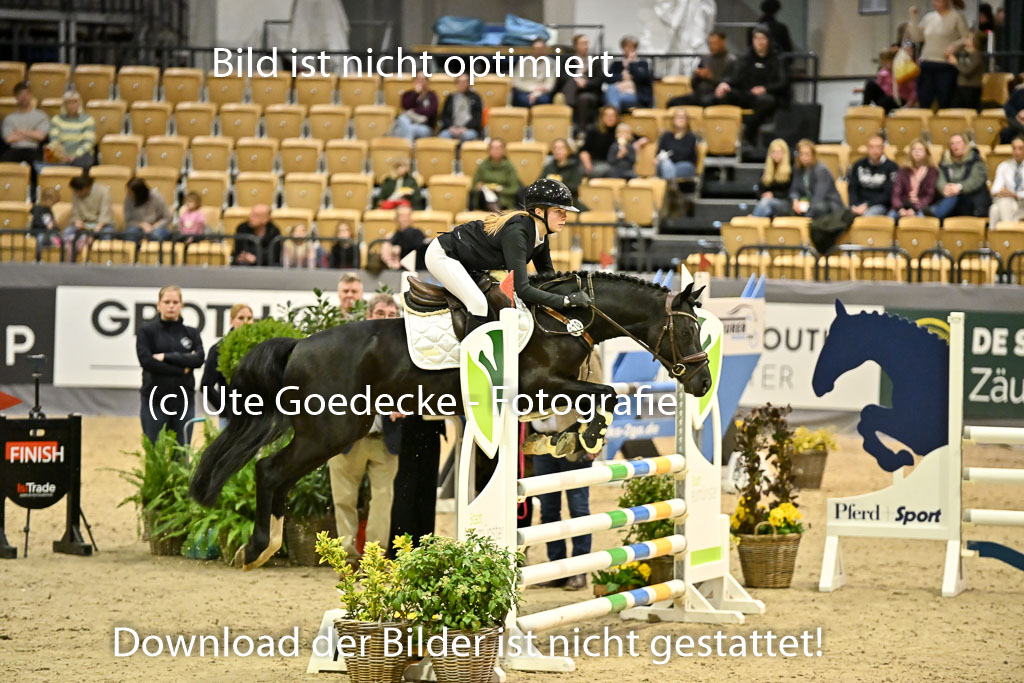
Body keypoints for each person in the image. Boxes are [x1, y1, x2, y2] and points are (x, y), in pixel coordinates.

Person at [425, 178, 590, 335]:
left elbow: (548, 279)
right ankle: (470, 354)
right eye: (558, 211)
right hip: (443, 255)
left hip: (468, 262)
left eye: (565, 212)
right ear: (539, 212)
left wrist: (574, 292)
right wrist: (565, 301)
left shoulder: (541, 236)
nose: (564, 217)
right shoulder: (517, 233)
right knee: (478, 303)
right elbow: (522, 289)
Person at [328, 293, 403, 561]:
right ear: (369, 316)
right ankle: (347, 561)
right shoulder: (346, 346)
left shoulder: (405, 352)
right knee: (343, 500)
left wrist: (405, 401)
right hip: (348, 437)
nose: (386, 319)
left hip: (386, 438)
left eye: (392, 315)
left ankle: (374, 561)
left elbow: (415, 387)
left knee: (383, 501)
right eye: (381, 314)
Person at [529, 350, 603, 590]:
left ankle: (579, 572)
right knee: (548, 510)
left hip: (574, 440)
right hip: (542, 441)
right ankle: (557, 569)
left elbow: (599, 396)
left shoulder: (587, 353)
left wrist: (596, 437)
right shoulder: (533, 351)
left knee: (578, 508)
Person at [135, 285, 204, 448]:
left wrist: (166, 357)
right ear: (159, 305)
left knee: (181, 453)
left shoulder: (191, 333)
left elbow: (199, 359)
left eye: (175, 302)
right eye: (166, 302)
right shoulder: (146, 332)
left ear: (181, 305)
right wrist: (182, 369)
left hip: (184, 402)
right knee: (155, 454)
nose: (171, 306)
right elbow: (147, 362)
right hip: (154, 401)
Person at [714, 26, 788, 146]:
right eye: (756, 38)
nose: (759, 42)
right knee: (725, 95)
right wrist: (724, 84)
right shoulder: (745, 57)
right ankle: (725, 137)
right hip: (745, 94)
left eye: (762, 38)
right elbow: (733, 76)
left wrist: (765, 88)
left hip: (764, 97)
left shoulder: (777, 59)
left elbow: (782, 82)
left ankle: (747, 133)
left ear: (768, 40)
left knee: (767, 101)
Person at [907, 0, 970, 109]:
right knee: (924, 99)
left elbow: (966, 38)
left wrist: (954, 46)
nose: (936, 3)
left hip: (945, 64)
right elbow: (917, 37)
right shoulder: (929, 17)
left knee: (945, 100)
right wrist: (913, 18)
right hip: (927, 62)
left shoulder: (956, 16)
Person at [200, 303, 254, 427]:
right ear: (231, 320)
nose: (246, 322)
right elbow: (206, 385)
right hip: (230, 419)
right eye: (241, 318)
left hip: (256, 417)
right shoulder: (219, 349)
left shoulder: (258, 347)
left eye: (249, 318)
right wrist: (225, 410)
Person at [668, 31, 737, 108]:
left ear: (722, 42)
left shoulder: (731, 61)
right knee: (673, 102)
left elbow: (730, 85)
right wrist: (697, 75)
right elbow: (693, 84)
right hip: (699, 94)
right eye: (710, 43)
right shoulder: (705, 59)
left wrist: (710, 77)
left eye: (714, 43)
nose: (711, 46)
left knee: (705, 102)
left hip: (716, 95)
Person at [930, 133, 991, 219]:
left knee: (955, 196)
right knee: (952, 196)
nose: (955, 146)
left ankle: (932, 216)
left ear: (965, 145)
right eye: (952, 143)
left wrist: (959, 187)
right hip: (951, 201)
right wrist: (944, 188)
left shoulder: (976, 160)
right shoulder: (945, 162)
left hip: (973, 202)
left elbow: (975, 181)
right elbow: (940, 179)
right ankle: (930, 215)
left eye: (958, 143)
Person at [1, 82, 49, 178]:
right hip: (14, 149)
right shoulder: (9, 118)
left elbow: (40, 136)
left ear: (31, 95)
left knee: (41, 168)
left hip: (33, 149)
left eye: (26, 94)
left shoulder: (41, 116)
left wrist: (19, 132)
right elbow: (9, 139)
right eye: (20, 94)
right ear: (16, 97)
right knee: (2, 166)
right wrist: (32, 133)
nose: (24, 97)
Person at [556, 34, 603, 129]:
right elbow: (561, 76)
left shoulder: (595, 60)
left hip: (589, 91)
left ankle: (580, 128)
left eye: (587, 43)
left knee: (584, 98)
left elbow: (599, 80)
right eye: (582, 43)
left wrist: (586, 83)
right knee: (571, 82)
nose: (586, 46)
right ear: (575, 46)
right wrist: (575, 79)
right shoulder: (567, 60)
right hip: (571, 89)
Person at [789, 139, 845, 219]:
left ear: (813, 155)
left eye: (807, 154)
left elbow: (819, 196)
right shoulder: (797, 169)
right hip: (808, 203)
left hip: (828, 204)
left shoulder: (821, 170)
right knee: (788, 208)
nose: (804, 157)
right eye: (801, 154)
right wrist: (795, 201)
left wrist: (808, 210)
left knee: (818, 208)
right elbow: (794, 189)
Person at [63, 174, 114, 258]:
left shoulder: (103, 191)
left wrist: (93, 233)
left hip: (101, 226)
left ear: (86, 188)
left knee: (107, 233)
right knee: (67, 232)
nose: (75, 193)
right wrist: (77, 221)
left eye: (77, 191)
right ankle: (70, 260)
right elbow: (75, 213)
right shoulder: (75, 193)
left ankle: (103, 261)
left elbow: (105, 214)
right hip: (84, 225)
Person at [849, 135, 899, 217]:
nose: (875, 150)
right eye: (871, 147)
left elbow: (888, 193)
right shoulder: (858, 165)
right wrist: (853, 205)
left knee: (867, 216)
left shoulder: (892, 167)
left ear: (883, 148)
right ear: (867, 148)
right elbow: (852, 188)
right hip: (859, 203)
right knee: (843, 215)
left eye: (878, 147)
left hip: (879, 205)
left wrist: (867, 205)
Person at [890, 138, 940, 219]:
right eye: (914, 149)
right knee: (891, 217)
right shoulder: (903, 170)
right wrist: (900, 209)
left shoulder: (932, 171)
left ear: (926, 153)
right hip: (904, 205)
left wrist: (914, 208)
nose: (917, 152)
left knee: (920, 217)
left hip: (922, 206)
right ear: (910, 153)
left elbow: (929, 196)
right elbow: (896, 193)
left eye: (920, 150)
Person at [46, 91, 95, 169]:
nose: (72, 105)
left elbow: (88, 142)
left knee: (85, 160)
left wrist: (75, 156)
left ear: (79, 103)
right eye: (69, 102)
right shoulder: (56, 120)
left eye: (75, 102)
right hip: (61, 155)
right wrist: (63, 155)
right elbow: (55, 141)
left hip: (81, 155)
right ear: (64, 105)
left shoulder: (88, 120)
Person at [605, 35, 653, 112]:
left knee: (613, 100)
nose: (629, 49)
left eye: (632, 46)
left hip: (635, 95)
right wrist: (622, 77)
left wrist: (632, 64)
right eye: (627, 46)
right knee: (611, 89)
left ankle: (613, 113)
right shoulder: (616, 64)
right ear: (623, 48)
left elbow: (641, 78)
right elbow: (607, 78)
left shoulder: (642, 64)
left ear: (636, 48)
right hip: (617, 92)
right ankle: (614, 111)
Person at [471, 137, 521, 211]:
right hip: (484, 198)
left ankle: (496, 209)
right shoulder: (483, 166)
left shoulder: (509, 166)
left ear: (503, 150)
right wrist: (478, 186)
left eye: (498, 148)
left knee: (501, 201)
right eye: (492, 148)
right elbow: (474, 186)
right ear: (488, 150)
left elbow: (514, 189)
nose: (495, 150)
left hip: (503, 199)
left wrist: (501, 189)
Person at [863, 47, 917, 113]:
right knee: (870, 83)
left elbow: (914, 90)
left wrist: (908, 105)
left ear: (892, 60)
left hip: (898, 100)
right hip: (884, 98)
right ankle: (864, 110)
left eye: (885, 62)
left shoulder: (902, 71)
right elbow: (877, 87)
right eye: (882, 63)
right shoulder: (883, 72)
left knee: (886, 101)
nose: (883, 65)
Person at [752, 138, 793, 217]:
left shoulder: (791, 170)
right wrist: (763, 195)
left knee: (766, 203)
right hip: (768, 203)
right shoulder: (767, 170)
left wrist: (773, 195)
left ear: (785, 153)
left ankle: (753, 219)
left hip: (785, 204)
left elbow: (790, 192)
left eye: (779, 152)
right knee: (766, 208)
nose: (776, 155)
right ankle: (756, 220)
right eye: (774, 152)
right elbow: (759, 189)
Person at [988, 135, 1024, 224]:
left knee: (995, 209)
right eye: (1014, 148)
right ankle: (1008, 228)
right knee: (995, 208)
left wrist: (1016, 195)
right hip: (1008, 202)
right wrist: (1001, 192)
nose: (1017, 152)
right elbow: (994, 189)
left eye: (1020, 148)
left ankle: (1006, 229)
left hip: (1022, 202)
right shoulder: (1004, 166)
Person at [391, 73, 437, 142]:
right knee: (402, 119)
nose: (420, 82)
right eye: (418, 79)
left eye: (423, 79)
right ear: (414, 81)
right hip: (408, 122)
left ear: (427, 81)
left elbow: (430, 112)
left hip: (425, 126)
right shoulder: (408, 94)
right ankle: (408, 145)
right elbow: (406, 106)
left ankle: (407, 146)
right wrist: (416, 94)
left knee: (401, 130)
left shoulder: (432, 96)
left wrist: (414, 111)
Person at [437, 73, 483, 142]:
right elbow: (444, 116)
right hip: (452, 128)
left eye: (464, 82)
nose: (461, 84)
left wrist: (465, 127)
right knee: (443, 136)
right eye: (459, 82)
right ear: (456, 84)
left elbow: (477, 117)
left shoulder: (475, 97)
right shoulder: (450, 97)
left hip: (469, 129)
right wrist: (451, 127)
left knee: (467, 136)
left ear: (469, 83)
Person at [123, 177, 172, 242]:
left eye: (131, 193)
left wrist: (154, 226)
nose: (129, 194)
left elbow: (167, 217)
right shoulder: (128, 199)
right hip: (137, 227)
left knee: (157, 235)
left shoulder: (156, 196)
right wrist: (141, 225)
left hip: (156, 227)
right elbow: (128, 220)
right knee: (130, 234)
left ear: (139, 193)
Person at [656, 108, 698, 181]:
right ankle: (672, 184)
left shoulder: (691, 137)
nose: (680, 119)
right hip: (665, 164)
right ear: (673, 120)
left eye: (683, 117)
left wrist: (668, 156)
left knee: (670, 167)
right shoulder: (666, 136)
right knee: (665, 164)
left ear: (687, 120)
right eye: (678, 117)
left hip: (685, 164)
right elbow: (659, 153)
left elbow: (684, 155)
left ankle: (669, 184)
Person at [539, 138, 585, 205]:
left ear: (567, 150)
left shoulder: (574, 167)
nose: (557, 151)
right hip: (549, 200)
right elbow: (540, 183)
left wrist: (558, 184)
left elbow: (575, 187)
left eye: (560, 148)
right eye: (555, 148)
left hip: (569, 201)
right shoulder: (549, 167)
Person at [511, 38, 555, 108]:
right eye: (536, 49)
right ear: (532, 50)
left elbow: (550, 84)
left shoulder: (552, 63)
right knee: (524, 100)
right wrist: (532, 88)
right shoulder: (523, 62)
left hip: (541, 92)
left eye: (541, 49)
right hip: (525, 90)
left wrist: (536, 94)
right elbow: (516, 82)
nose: (539, 51)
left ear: (546, 49)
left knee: (543, 100)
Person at [579, 106, 620, 178]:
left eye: (613, 115)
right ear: (602, 117)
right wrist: (588, 164)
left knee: (599, 171)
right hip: (592, 161)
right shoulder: (593, 131)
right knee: (579, 170)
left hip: (609, 163)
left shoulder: (620, 132)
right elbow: (584, 150)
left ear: (617, 118)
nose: (610, 118)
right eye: (607, 115)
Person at [949, 30, 986, 110]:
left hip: (971, 89)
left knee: (969, 111)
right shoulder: (965, 53)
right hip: (961, 87)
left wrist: (956, 63)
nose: (966, 40)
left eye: (969, 38)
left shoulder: (977, 55)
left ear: (975, 41)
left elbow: (967, 71)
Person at [386, 204, 427, 270]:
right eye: (402, 216)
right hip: (397, 271)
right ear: (396, 219)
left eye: (408, 216)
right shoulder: (392, 236)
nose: (405, 219)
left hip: (417, 271)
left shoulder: (417, 233)